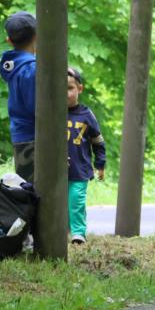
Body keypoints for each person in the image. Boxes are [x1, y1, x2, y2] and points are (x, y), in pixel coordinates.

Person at [66, 68, 106, 244]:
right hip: (56, 170)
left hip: (79, 169)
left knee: (76, 201)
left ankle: (78, 233)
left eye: (69, 88)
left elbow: (98, 142)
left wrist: (100, 164)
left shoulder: (86, 115)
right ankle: (62, 230)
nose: (65, 93)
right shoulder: (52, 112)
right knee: (58, 203)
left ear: (79, 89)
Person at [0, 12, 37, 181]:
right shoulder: (31, 69)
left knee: (29, 191)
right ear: (37, 36)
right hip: (34, 139)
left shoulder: (14, 66)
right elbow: (36, 107)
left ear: (9, 40)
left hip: (20, 137)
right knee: (39, 194)